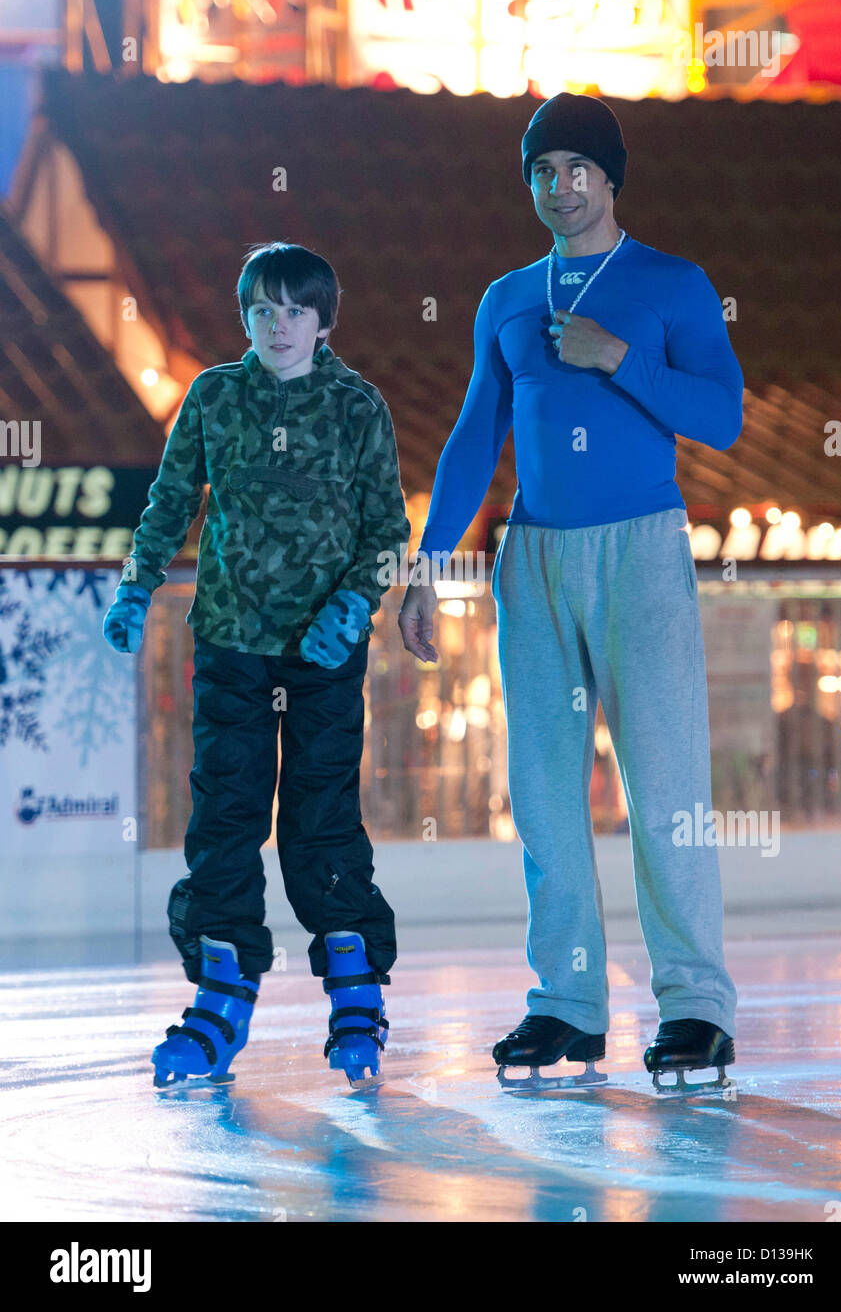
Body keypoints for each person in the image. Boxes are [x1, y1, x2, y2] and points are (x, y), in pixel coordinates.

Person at [399, 93, 743, 1094]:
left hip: (639, 551)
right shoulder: (505, 296)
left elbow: (718, 416)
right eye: (539, 170)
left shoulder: (669, 285)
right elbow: (473, 435)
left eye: (573, 169)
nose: (556, 186)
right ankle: (565, 1003)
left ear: (608, 177)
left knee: (665, 784)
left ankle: (692, 1008)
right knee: (545, 794)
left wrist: (619, 358)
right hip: (531, 558)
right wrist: (427, 559)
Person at [103, 242, 411, 1088]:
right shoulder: (214, 396)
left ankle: (354, 987)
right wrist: (136, 588)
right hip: (233, 644)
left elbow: (387, 531)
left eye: (295, 311)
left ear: (323, 319)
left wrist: (350, 610)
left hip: (323, 656)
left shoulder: (355, 406)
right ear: (245, 317)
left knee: (320, 818)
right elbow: (169, 503)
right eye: (262, 311)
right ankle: (221, 991)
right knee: (226, 819)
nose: (278, 327)